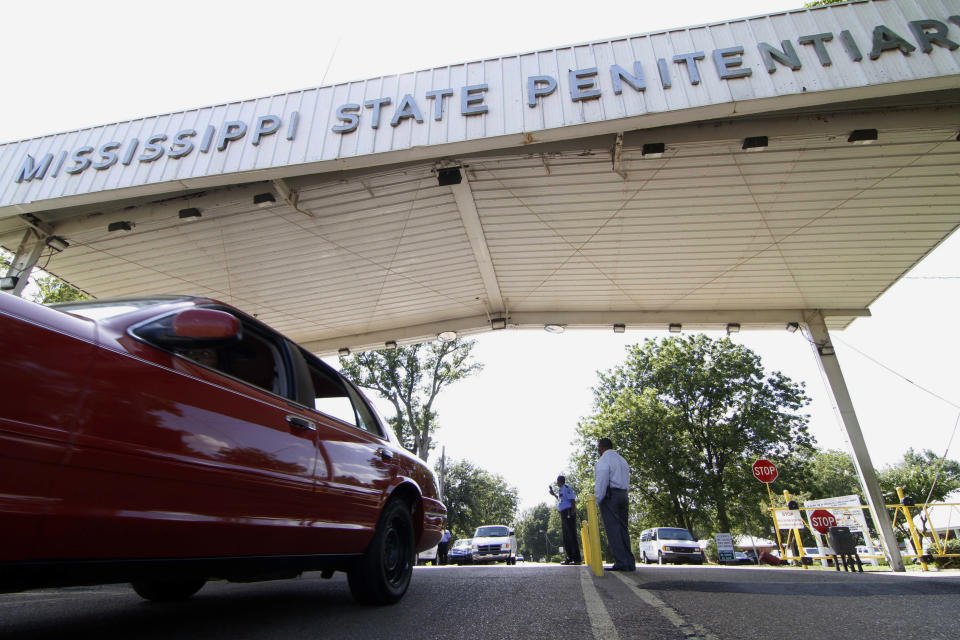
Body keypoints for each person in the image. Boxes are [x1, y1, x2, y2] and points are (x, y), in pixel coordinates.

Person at [594, 437, 636, 571]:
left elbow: (602, 481)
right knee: (623, 528)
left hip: (610, 496)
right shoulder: (622, 460)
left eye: (598, 448)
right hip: (623, 494)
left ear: (601, 448)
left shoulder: (604, 461)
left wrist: (596, 500)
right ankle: (629, 562)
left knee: (613, 530)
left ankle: (621, 562)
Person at [549, 475, 582, 565]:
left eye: (557, 481)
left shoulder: (567, 488)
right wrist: (553, 494)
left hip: (568, 513)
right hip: (563, 513)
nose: (557, 483)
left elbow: (572, 501)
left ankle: (577, 559)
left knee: (572, 535)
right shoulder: (561, 490)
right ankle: (569, 557)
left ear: (560, 481)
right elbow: (560, 499)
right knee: (566, 536)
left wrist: (572, 512)